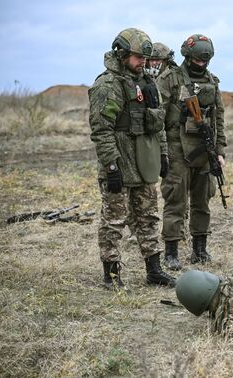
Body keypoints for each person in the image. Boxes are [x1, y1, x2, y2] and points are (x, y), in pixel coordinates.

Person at [88, 27, 177, 289]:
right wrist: (111, 165)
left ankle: (154, 270)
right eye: (138, 57)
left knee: (149, 218)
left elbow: (157, 123)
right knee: (113, 222)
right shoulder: (107, 85)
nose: (143, 63)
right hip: (119, 165)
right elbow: (101, 130)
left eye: (145, 58)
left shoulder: (147, 83)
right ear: (123, 54)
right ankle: (112, 276)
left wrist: (162, 153)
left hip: (144, 165)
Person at [157, 34, 227, 270]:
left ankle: (200, 250)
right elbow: (158, 118)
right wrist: (162, 152)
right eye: (197, 59)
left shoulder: (213, 81)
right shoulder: (170, 79)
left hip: (204, 150)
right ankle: (171, 252)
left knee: (202, 201)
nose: (201, 63)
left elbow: (218, 118)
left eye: (204, 60)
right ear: (187, 56)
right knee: (175, 200)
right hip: (177, 148)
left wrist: (220, 151)